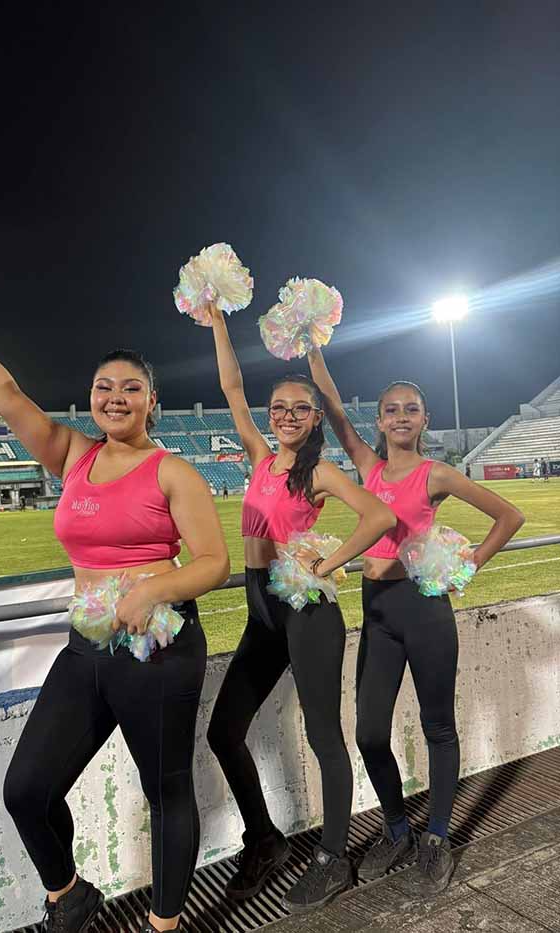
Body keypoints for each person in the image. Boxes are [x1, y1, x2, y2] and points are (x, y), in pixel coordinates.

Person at [0, 295, 229, 933]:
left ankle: (164, 924)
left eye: (131, 388)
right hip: (87, 645)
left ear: (152, 400)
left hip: (158, 648)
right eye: (103, 387)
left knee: (166, 790)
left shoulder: (173, 472)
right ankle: (68, 895)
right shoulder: (72, 454)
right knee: (27, 789)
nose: (115, 397)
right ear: (90, 397)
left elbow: (214, 563)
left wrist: (152, 590)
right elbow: (3, 392)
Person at [307, 346, 525, 895]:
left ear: (425, 419)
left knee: (438, 726)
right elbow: (333, 408)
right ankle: (397, 828)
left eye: (411, 409)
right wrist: (311, 344)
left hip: (424, 610)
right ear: (379, 421)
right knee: (369, 731)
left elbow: (509, 516)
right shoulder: (368, 466)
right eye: (391, 409)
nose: (401, 416)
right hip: (377, 612)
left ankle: (436, 837)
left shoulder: (437, 474)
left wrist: (467, 564)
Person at [205, 305, 396, 913]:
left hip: (306, 609)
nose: (287, 415)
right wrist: (216, 320)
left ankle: (333, 858)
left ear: (315, 418)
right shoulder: (260, 458)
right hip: (261, 607)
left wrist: (329, 560)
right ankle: (264, 839)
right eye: (279, 408)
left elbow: (379, 515)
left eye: (300, 408)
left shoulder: (320, 471)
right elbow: (231, 387)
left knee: (322, 736)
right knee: (223, 731)